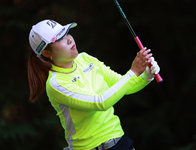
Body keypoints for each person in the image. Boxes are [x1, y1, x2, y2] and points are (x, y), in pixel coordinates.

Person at [28, 19, 160, 150]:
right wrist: (133, 72)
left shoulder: (85, 58)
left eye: (66, 33)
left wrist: (146, 76)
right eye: (59, 38)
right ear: (46, 53)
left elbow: (122, 85)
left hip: (119, 142)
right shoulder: (56, 83)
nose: (69, 39)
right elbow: (100, 102)